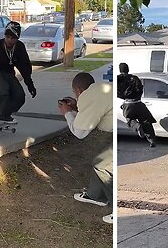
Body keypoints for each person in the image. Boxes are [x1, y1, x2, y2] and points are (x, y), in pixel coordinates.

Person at [58, 72, 113, 224]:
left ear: (79, 90)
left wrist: (67, 113)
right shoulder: (100, 88)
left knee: (102, 165)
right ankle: (95, 195)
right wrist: (76, 107)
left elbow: (80, 132)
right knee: (100, 158)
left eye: (75, 93)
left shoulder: (90, 95)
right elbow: (94, 111)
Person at [0, 21, 36, 128]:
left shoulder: (19, 47)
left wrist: (30, 85)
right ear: (5, 36)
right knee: (2, 91)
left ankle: (4, 114)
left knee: (19, 96)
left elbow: (25, 67)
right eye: (8, 37)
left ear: (17, 38)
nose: (10, 40)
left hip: (8, 72)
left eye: (13, 38)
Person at [117, 63, 157, 147]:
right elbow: (140, 89)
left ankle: (137, 126)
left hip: (128, 104)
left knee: (130, 119)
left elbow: (118, 92)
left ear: (120, 70)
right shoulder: (135, 78)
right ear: (128, 69)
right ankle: (151, 140)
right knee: (146, 121)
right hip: (139, 103)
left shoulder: (118, 79)